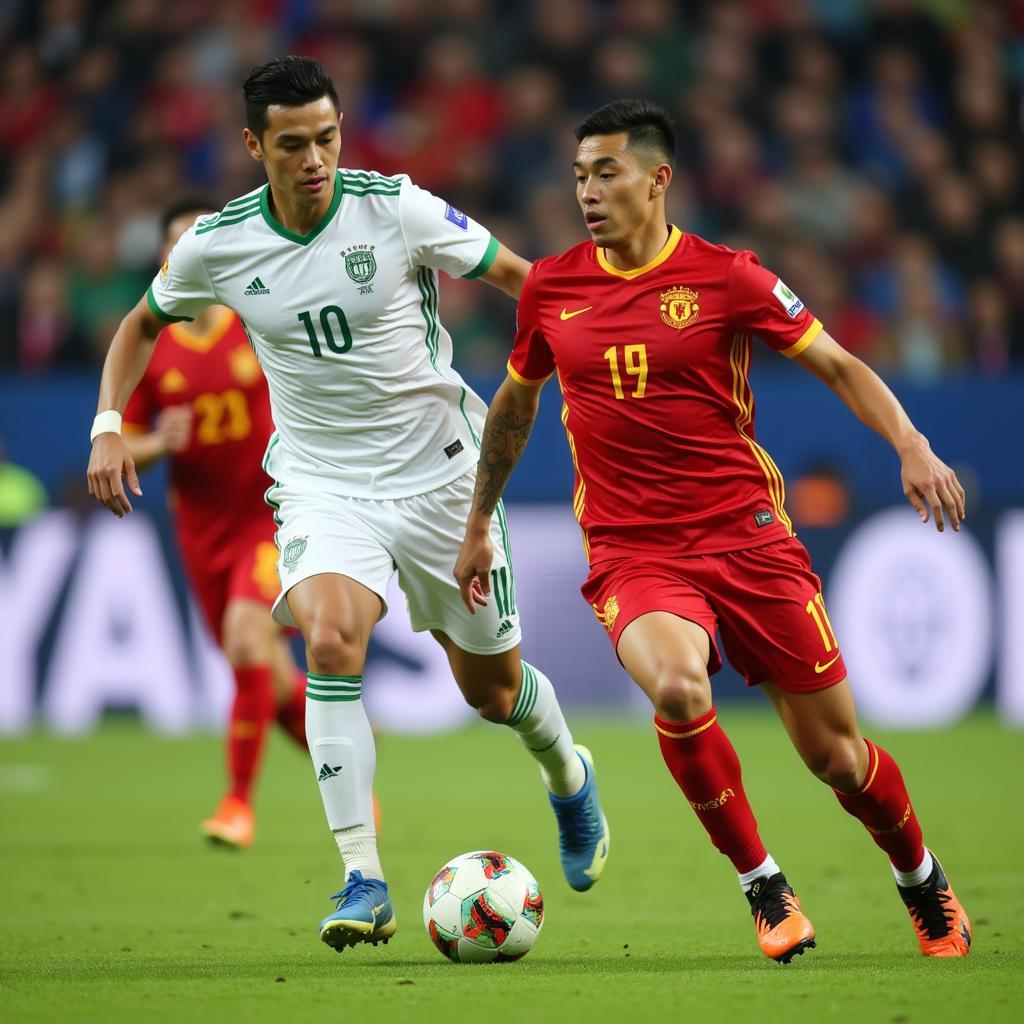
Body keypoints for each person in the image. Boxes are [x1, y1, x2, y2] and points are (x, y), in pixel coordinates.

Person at [86, 55, 609, 953]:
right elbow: (141, 322)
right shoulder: (219, 243)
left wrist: (602, 349)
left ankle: (568, 772)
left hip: (443, 476)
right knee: (327, 637)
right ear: (255, 146)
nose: (316, 158)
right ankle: (362, 875)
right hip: (324, 484)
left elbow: (528, 280)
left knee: (491, 690)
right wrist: (107, 423)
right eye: (292, 144)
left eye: (327, 136)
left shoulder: (396, 208)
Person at [455, 98, 971, 963]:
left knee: (839, 759)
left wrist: (912, 445)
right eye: (579, 174)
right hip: (634, 551)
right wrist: (477, 521)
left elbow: (839, 364)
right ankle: (764, 888)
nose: (587, 191)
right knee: (679, 691)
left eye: (607, 172)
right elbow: (514, 404)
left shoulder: (728, 277)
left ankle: (922, 879)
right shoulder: (551, 287)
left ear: (658, 180)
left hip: (749, 538)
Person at [120, 199, 308, 850]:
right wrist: (154, 443)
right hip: (201, 531)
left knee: (249, 640)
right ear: (164, 258)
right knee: (272, 679)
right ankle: (347, 767)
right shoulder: (154, 340)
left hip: (271, 515)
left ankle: (236, 804)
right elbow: (124, 439)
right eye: (180, 242)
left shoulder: (259, 320)